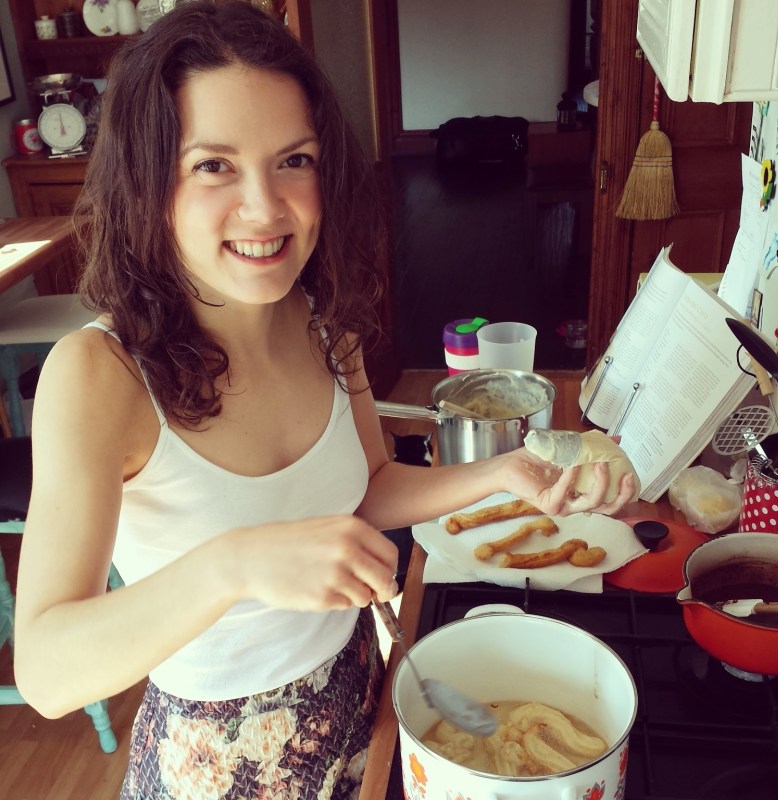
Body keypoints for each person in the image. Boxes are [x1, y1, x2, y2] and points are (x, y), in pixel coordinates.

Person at [13, 3, 637, 798]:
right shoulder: (99, 374)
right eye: (213, 165)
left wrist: (503, 473)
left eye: (293, 160)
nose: (267, 207)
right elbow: (46, 668)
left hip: (365, 694)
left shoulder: (320, 322)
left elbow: (369, 489)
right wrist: (236, 564)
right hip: (222, 762)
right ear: (148, 177)